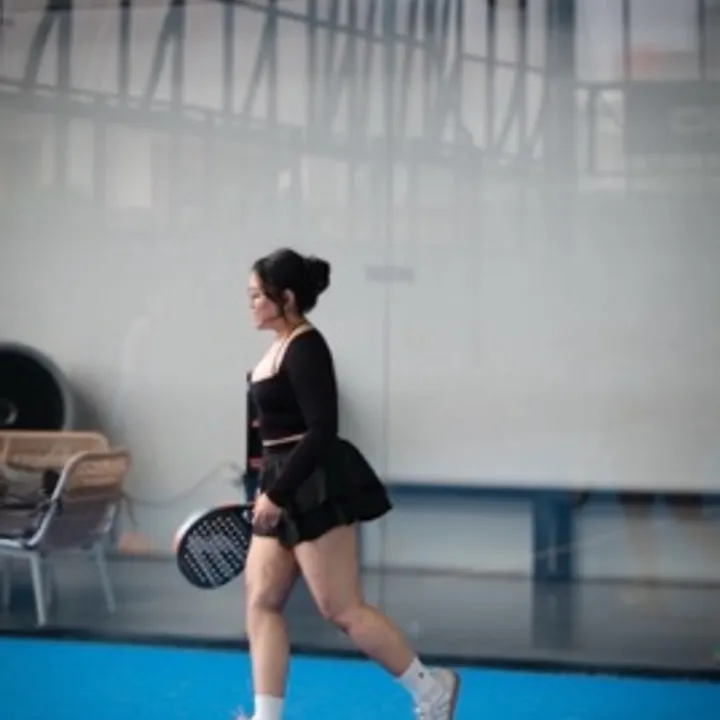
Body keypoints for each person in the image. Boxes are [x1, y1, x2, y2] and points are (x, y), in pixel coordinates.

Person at [243, 248, 461, 720]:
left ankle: (433, 691)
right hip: (278, 484)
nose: (251, 303)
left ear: (286, 298)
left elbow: (322, 429)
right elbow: (268, 435)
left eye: (258, 294)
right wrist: (263, 488)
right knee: (261, 602)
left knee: (340, 610)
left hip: (314, 484)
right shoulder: (274, 349)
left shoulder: (306, 346)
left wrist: (279, 494)